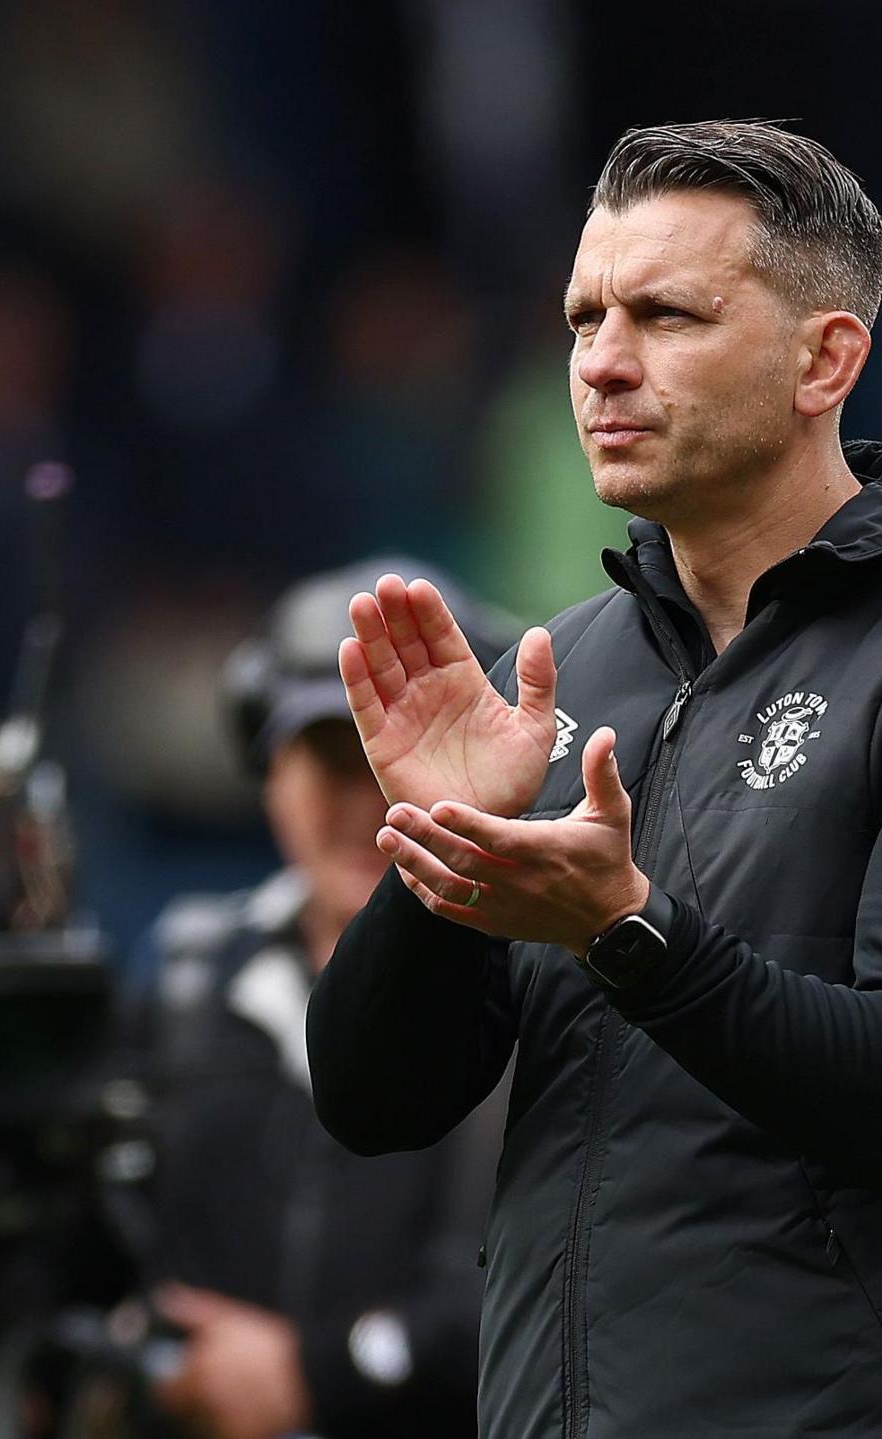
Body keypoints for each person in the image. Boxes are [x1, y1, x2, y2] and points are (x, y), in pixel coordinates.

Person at [305, 119, 882, 1438]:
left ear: (826, 359)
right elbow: (372, 1100)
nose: (602, 365)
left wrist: (627, 933)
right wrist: (440, 844)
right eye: (584, 319)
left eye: (666, 315)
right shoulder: (562, 667)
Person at [140, 558, 514, 1439]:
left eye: (402, 755)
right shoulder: (191, 977)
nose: (371, 799)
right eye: (333, 757)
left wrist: (316, 1374)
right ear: (265, 768)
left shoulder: (536, 981)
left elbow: (556, 1295)